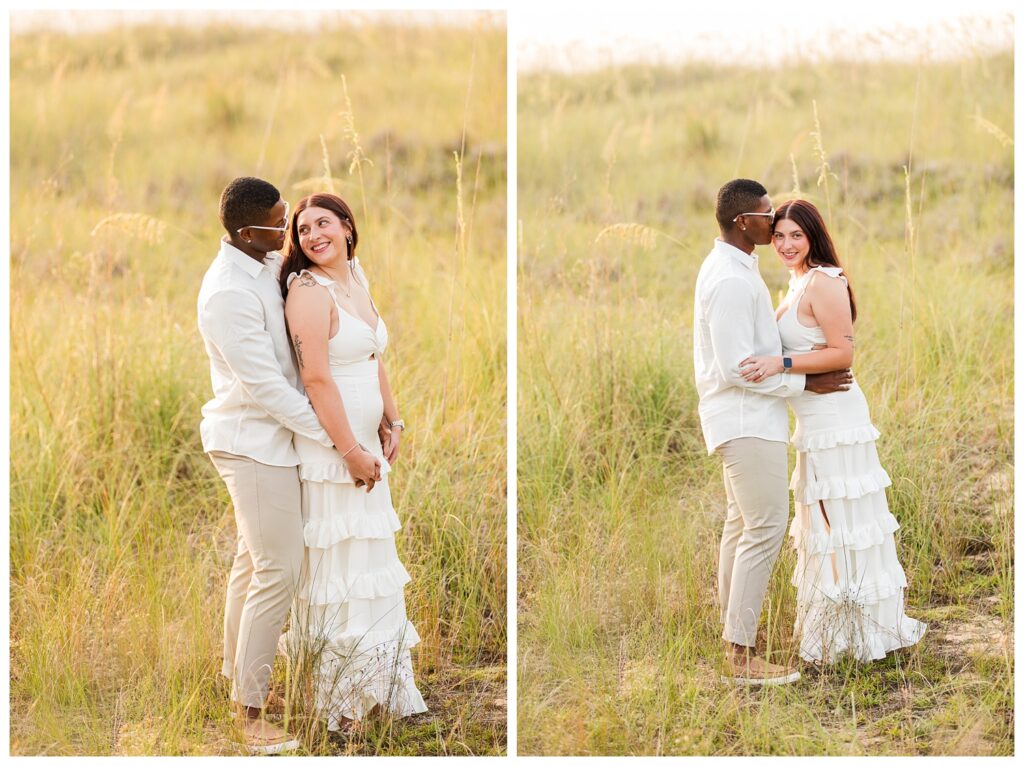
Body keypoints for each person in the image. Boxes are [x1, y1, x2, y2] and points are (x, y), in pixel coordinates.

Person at [198, 177, 376, 753]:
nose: (288, 236)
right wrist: (338, 441)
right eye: (280, 226)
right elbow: (269, 390)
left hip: (275, 437)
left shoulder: (263, 265)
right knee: (279, 567)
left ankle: (236, 679)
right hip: (252, 441)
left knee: (252, 564)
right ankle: (249, 716)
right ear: (247, 232)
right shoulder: (229, 292)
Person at [738, 199, 927, 663]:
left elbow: (842, 354)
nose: (785, 244)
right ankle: (833, 628)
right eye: (779, 235)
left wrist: (779, 361)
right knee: (824, 522)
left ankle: (861, 632)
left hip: (836, 418)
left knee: (842, 519)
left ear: (813, 237)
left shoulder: (825, 280)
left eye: (795, 236)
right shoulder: (796, 280)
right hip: (812, 419)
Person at [693, 178, 853, 686]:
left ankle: (732, 635)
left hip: (749, 418)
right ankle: (740, 655)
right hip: (744, 421)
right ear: (746, 223)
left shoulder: (738, 268)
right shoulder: (731, 280)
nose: (774, 219)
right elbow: (739, 368)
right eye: (767, 215)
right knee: (763, 528)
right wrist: (808, 381)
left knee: (742, 526)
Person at [278, 192, 427, 729]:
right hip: (332, 450)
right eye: (302, 229)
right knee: (339, 567)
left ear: (346, 225)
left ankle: (379, 687)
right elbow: (316, 378)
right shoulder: (308, 292)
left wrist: (392, 419)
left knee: (370, 566)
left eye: (323, 223)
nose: (313, 235)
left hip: (368, 444)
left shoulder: (354, 280)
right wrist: (349, 450)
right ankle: (340, 703)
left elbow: (372, 355)